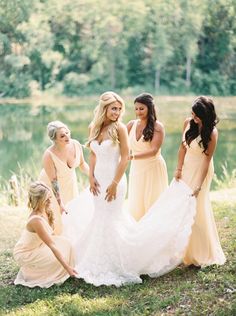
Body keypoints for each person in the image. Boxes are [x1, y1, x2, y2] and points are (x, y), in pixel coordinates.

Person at [63, 91, 197, 287]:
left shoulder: (120, 129)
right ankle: (97, 255)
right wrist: (91, 177)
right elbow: (92, 155)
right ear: (104, 108)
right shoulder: (94, 127)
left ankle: (122, 259)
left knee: (111, 217)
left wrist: (115, 183)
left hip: (114, 181)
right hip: (98, 180)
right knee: (99, 216)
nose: (117, 112)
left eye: (119, 109)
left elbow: (125, 157)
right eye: (113, 108)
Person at [175, 96, 226, 267]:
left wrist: (198, 185)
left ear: (206, 115)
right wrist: (179, 169)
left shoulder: (212, 132)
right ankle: (185, 251)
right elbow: (182, 148)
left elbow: (206, 160)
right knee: (181, 207)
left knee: (197, 208)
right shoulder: (188, 123)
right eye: (193, 115)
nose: (194, 119)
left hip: (201, 171)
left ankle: (201, 252)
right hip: (187, 167)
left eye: (197, 116)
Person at [13, 181, 76, 288]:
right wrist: (67, 268)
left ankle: (42, 267)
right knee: (57, 256)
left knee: (67, 244)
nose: (49, 201)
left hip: (38, 245)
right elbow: (52, 245)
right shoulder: (36, 220)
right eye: (46, 199)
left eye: (50, 198)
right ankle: (34, 273)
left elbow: (53, 237)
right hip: (26, 253)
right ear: (39, 200)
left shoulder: (44, 210)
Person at [39, 121, 89, 235]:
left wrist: (93, 176)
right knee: (55, 215)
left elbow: (82, 165)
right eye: (62, 135)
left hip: (70, 184)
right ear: (54, 139)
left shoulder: (75, 144)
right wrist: (60, 203)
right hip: (51, 187)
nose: (67, 136)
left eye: (67, 132)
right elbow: (53, 181)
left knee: (72, 214)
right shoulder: (48, 155)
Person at [127, 93, 168, 220]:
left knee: (152, 199)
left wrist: (132, 157)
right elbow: (120, 144)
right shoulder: (130, 125)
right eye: (136, 108)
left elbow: (154, 150)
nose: (138, 111)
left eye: (141, 108)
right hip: (136, 168)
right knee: (136, 199)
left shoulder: (157, 126)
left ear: (149, 108)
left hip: (152, 167)